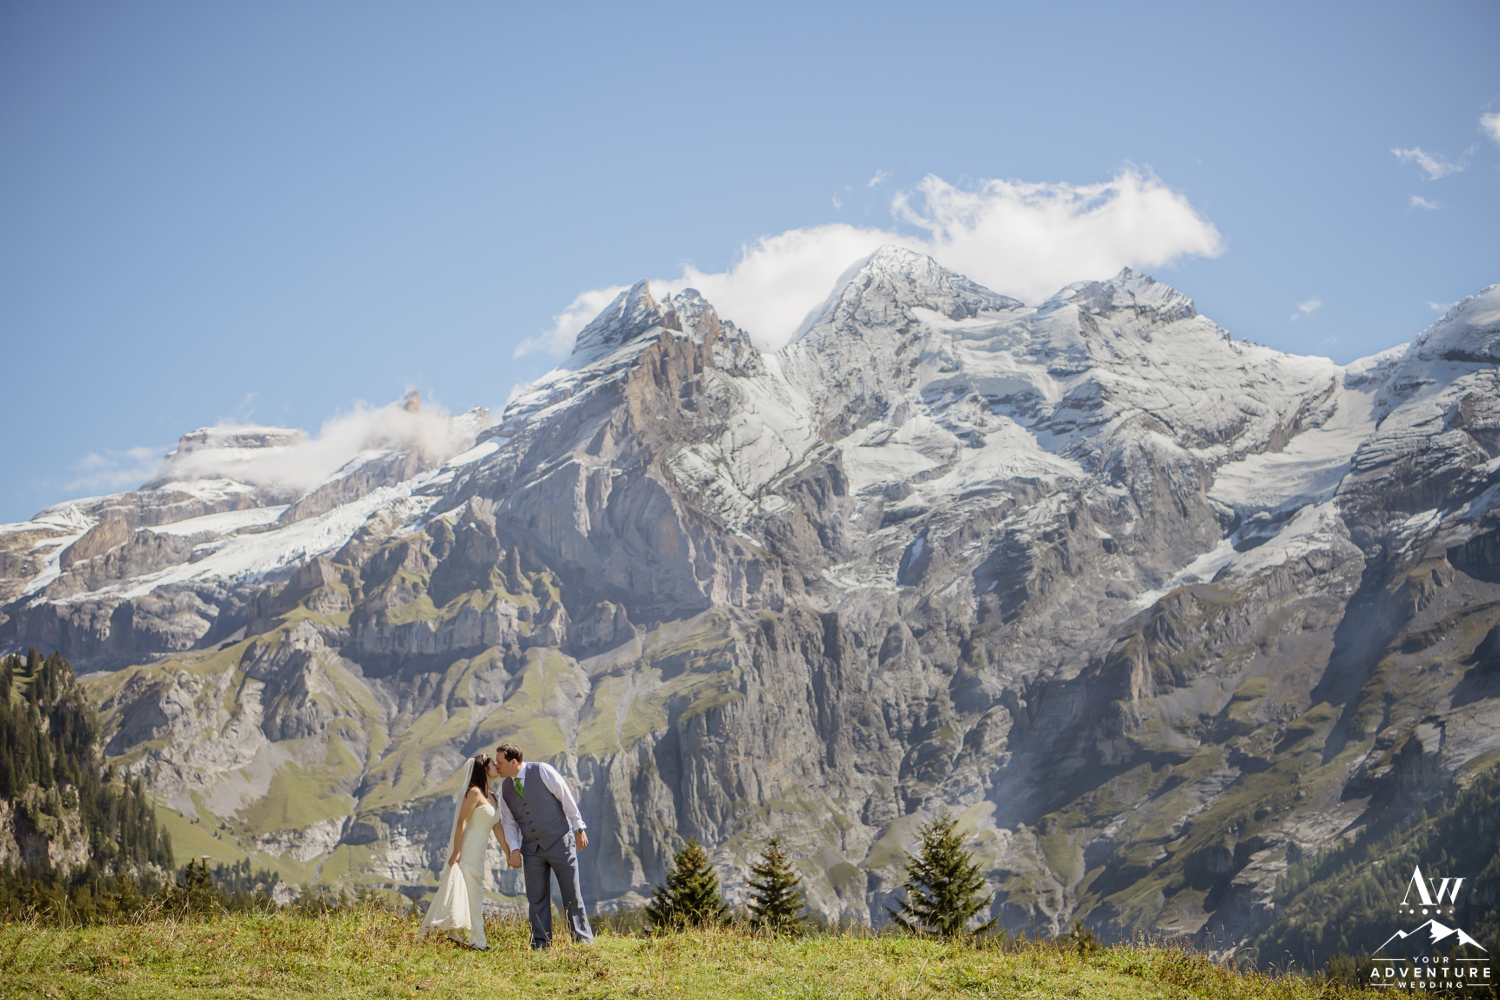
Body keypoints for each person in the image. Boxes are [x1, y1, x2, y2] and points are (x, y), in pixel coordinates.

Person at [493, 742, 595, 949]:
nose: (497, 767)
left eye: (500, 762)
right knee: (536, 898)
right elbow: (509, 822)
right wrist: (513, 849)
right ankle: (540, 944)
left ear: (514, 762)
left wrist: (579, 828)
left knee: (571, 893)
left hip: (560, 842)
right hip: (532, 849)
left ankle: (582, 940)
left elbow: (565, 797)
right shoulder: (505, 788)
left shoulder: (542, 771)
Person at [420, 754, 509, 950]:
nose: (496, 765)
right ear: (484, 768)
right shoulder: (474, 793)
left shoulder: (493, 797)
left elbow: (498, 827)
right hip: (468, 849)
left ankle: (466, 937)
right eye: (492, 763)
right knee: (470, 891)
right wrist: (456, 852)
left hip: (479, 852)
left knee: (474, 891)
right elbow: (461, 822)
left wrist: (508, 853)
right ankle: (476, 940)